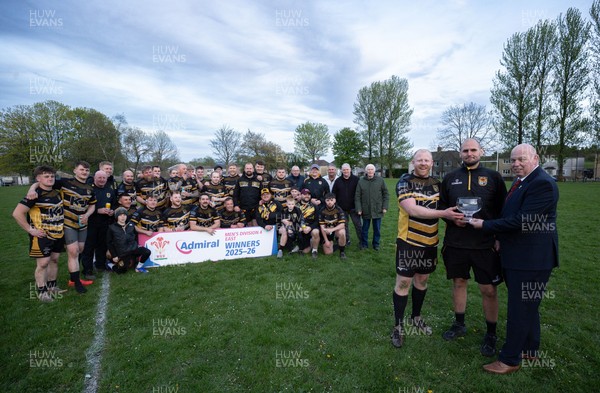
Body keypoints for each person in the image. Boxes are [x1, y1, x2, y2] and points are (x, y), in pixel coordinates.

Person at [470, 144, 559, 375]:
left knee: (519, 309)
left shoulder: (542, 183)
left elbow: (521, 220)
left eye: (521, 159)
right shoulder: (522, 181)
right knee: (528, 306)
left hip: (531, 259)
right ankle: (530, 349)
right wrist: (499, 236)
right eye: (513, 160)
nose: (516, 164)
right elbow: (510, 214)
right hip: (518, 256)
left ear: (535, 158)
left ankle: (510, 360)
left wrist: (486, 226)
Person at [438, 138, 507, 357]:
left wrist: (498, 237)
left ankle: (491, 333)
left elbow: (503, 211)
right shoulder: (449, 177)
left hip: (484, 244)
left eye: (473, 150)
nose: (469, 153)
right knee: (459, 282)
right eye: (465, 150)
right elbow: (442, 208)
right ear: (460, 153)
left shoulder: (494, 177)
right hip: (456, 242)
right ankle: (459, 324)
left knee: (488, 289)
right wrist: (451, 220)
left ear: (481, 151)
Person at [390, 149, 464, 348]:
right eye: (419, 160)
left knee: (422, 281)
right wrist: (444, 214)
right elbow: (412, 209)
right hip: (409, 242)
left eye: (426, 160)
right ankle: (398, 326)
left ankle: (416, 317)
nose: (423, 163)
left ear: (431, 163)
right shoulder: (405, 182)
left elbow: (453, 206)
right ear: (413, 162)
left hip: (430, 242)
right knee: (404, 283)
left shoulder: (437, 185)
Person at [27, 161, 96, 293]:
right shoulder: (64, 182)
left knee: (79, 250)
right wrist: (31, 189)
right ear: (75, 170)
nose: (84, 172)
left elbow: (92, 204)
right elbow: (42, 182)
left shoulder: (90, 188)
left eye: (87, 170)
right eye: (81, 169)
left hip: (82, 224)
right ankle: (76, 283)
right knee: (73, 251)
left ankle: (71, 278)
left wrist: (87, 214)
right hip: (67, 223)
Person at [13, 165, 65, 302]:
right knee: (43, 263)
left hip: (58, 233)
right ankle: (42, 292)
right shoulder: (33, 195)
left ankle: (52, 286)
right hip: (42, 235)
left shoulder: (56, 192)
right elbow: (17, 213)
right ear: (38, 178)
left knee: (54, 260)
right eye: (46, 176)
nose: (50, 179)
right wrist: (30, 230)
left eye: (52, 176)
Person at [80, 170, 117, 279]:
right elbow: (83, 205)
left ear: (106, 179)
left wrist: (112, 211)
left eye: (104, 178)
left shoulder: (110, 190)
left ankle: (100, 265)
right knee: (89, 247)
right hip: (91, 222)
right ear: (94, 178)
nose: (101, 180)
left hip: (105, 222)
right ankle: (87, 270)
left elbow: (114, 204)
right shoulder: (89, 189)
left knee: (102, 245)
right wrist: (97, 210)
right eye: (99, 178)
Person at [106, 207, 151, 273]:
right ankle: (110, 264)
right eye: (120, 215)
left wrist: (137, 245)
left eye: (124, 215)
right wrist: (114, 255)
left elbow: (135, 237)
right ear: (116, 216)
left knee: (147, 252)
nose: (122, 217)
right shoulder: (112, 228)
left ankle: (139, 267)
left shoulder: (131, 225)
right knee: (121, 271)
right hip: (122, 252)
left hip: (133, 249)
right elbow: (109, 242)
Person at [355, 164, 389, 250]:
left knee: (377, 229)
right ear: (366, 171)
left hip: (377, 209)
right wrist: (359, 208)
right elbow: (357, 196)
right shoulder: (361, 181)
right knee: (365, 229)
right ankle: (364, 244)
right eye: (368, 169)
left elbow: (386, 194)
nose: (370, 171)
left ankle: (376, 244)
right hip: (365, 209)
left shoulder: (380, 180)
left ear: (374, 171)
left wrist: (385, 207)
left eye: (371, 169)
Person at [332, 163, 361, 247]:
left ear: (350, 170)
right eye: (344, 170)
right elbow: (334, 193)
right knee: (345, 225)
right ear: (341, 170)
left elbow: (360, 193)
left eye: (347, 169)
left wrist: (359, 206)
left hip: (354, 207)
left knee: (358, 225)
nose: (345, 171)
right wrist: (336, 205)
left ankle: (362, 241)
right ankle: (347, 240)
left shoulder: (356, 179)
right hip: (342, 208)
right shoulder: (338, 181)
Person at [318, 193, 347, 259]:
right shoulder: (322, 210)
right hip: (327, 231)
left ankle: (342, 251)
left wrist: (332, 229)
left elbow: (342, 225)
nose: (329, 202)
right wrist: (326, 240)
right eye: (328, 200)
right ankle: (333, 243)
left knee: (342, 232)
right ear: (325, 201)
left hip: (336, 230)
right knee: (328, 253)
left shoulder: (339, 209)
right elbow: (322, 227)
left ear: (335, 200)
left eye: (331, 200)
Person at [297, 189, 321, 258]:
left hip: (311, 226)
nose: (307, 196)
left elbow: (317, 220)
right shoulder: (296, 206)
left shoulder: (314, 206)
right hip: (300, 227)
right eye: (304, 194)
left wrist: (310, 227)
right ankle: (309, 243)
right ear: (301, 195)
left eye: (308, 194)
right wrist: (301, 227)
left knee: (316, 232)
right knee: (305, 251)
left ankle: (314, 250)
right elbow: (293, 219)